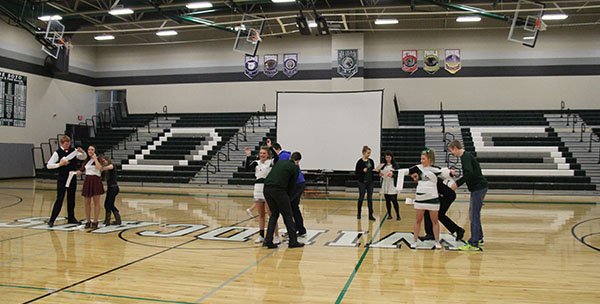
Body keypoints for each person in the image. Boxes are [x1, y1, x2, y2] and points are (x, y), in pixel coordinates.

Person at [404, 148, 454, 249]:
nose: (422, 161)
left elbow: (445, 172)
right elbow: (406, 171)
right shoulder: (418, 168)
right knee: (418, 220)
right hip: (420, 199)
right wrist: (392, 172)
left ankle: (437, 241)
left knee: (434, 221)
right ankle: (415, 241)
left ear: (430, 159)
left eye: (424, 159)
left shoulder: (435, 169)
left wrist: (450, 172)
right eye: (421, 159)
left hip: (433, 199)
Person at [448, 139, 488, 251]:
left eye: (451, 150)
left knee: (473, 215)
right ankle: (479, 238)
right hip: (478, 187)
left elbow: (469, 173)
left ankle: (474, 243)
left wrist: (457, 184)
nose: (452, 153)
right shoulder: (465, 156)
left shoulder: (465, 156)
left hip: (478, 188)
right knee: (474, 213)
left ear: (455, 148)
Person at [262, 152, 305, 249]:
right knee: (287, 215)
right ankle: (293, 241)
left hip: (266, 189)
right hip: (279, 190)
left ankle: (268, 240)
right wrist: (287, 199)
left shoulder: (280, 163)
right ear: (297, 161)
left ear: (290, 157)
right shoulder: (295, 168)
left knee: (274, 214)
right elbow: (292, 186)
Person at [46, 135, 86, 227]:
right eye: (66, 144)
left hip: (72, 177)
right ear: (62, 143)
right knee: (60, 198)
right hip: (62, 178)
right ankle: (52, 219)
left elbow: (83, 157)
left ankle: (71, 217)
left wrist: (82, 152)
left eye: (69, 143)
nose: (67, 145)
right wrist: (60, 164)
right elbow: (49, 165)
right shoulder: (57, 153)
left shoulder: (73, 151)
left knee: (71, 198)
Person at [269, 139, 307, 237]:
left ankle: (293, 230)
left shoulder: (283, 156)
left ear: (276, 149)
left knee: (285, 206)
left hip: (296, 184)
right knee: (294, 207)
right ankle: (300, 230)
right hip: (298, 183)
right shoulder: (285, 155)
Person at [245, 145, 280, 245]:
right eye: (261, 153)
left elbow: (277, 158)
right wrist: (248, 156)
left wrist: (271, 147)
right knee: (261, 215)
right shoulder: (256, 163)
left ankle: (276, 236)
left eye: (264, 153)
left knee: (271, 215)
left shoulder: (271, 162)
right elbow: (247, 168)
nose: (262, 155)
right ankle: (261, 235)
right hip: (258, 189)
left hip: (268, 188)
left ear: (268, 154)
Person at [420, 177, 465, 242]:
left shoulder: (430, 179)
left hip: (448, 196)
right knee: (434, 213)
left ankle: (431, 234)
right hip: (444, 195)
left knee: (436, 214)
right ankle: (458, 230)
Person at [76, 145, 105, 229]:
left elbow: (99, 168)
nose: (90, 151)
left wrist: (95, 158)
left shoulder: (99, 159)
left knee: (96, 202)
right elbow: (81, 171)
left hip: (95, 180)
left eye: (92, 149)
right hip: (88, 181)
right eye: (89, 149)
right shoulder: (86, 160)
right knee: (87, 202)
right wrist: (75, 172)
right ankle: (88, 221)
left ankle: (95, 221)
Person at [377, 151, 401, 221]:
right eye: (386, 157)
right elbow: (381, 173)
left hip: (392, 184)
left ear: (391, 157)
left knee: (394, 200)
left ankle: (398, 215)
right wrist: (381, 174)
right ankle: (389, 214)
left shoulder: (395, 165)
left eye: (389, 157)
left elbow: (398, 174)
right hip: (385, 183)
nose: (387, 159)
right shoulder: (383, 165)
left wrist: (393, 175)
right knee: (387, 201)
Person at [355, 146, 376, 221]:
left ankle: (370, 215)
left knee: (369, 199)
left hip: (370, 182)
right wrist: (362, 171)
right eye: (368, 153)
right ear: (364, 152)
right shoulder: (360, 162)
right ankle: (359, 213)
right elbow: (356, 173)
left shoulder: (371, 161)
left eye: (370, 153)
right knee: (361, 198)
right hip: (362, 182)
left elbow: (372, 171)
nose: (369, 154)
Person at [101, 156, 121, 226]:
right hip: (110, 188)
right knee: (108, 204)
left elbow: (110, 166)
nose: (103, 162)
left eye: (104, 161)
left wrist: (102, 168)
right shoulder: (105, 171)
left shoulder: (112, 166)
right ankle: (113, 219)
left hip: (114, 188)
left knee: (108, 204)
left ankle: (110, 219)